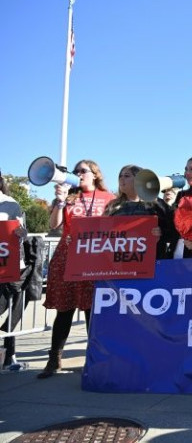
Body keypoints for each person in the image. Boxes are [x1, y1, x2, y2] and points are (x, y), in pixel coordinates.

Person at [38, 160, 116, 379]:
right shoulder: (69, 197)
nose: (79, 174)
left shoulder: (109, 198)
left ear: (95, 174)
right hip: (68, 255)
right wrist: (60, 202)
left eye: (83, 171)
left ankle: (94, 361)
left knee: (93, 311)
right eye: (76, 171)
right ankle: (54, 359)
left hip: (96, 258)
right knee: (64, 310)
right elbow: (54, 225)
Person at [105, 165, 174, 259]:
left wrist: (161, 232)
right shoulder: (113, 206)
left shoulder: (156, 204)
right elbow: (103, 234)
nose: (121, 179)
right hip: (118, 261)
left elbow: (173, 229)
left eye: (127, 176)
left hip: (151, 261)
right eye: (120, 176)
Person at [0, 171, 29, 370]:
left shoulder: (10, 203)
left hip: (9, 266)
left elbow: (21, 234)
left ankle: (9, 353)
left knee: (17, 303)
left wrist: (22, 234)